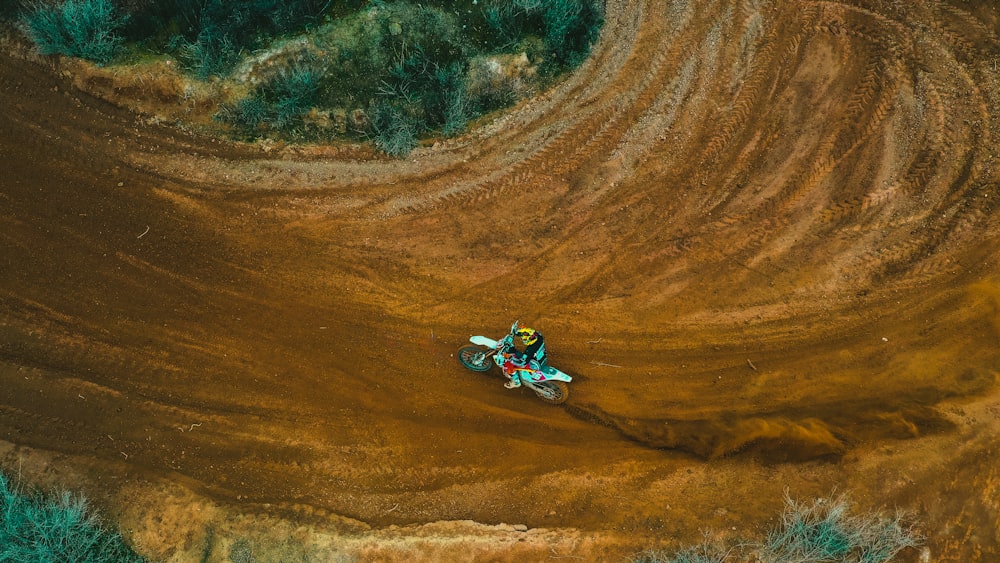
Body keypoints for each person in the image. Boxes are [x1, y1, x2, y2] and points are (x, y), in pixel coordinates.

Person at [503, 321, 547, 389]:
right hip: (541, 358)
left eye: (524, 339)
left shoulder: (530, 350)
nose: (523, 340)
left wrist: (510, 358)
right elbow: (528, 332)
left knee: (508, 366)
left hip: (535, 365)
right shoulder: (538, 336)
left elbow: (522, 363)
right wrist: (517, 331)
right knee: (515, 352)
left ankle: (516, 382)